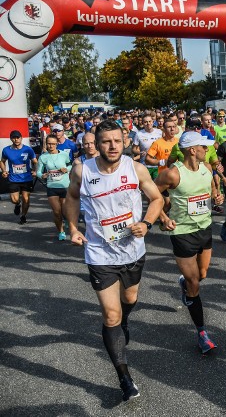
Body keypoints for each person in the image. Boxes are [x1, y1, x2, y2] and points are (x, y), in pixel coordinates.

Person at [64, 120, 163, 402]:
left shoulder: (136, 168)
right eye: (106, 141)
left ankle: (124, 322)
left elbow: (156, 199)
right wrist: (72, 228)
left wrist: (147, 223)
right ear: (97, 143)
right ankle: (124, 378)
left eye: (117, 141)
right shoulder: (83, 170)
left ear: (125, 141)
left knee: (129, 300)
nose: (112, 146)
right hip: (99, 252)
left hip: (132, 250)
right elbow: (71, 198)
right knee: (111, 315)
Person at [155, 131, 224, 353]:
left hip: (204, 229)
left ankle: (185, 285)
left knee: (201, 275)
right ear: (193, 150)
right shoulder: (173, 175)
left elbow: (211, 189)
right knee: (195, 282)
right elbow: (151, 193)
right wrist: (164, 217)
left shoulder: (206, 168)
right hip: (182, 233)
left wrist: (216, 196)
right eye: (204, 147)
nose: (207, 150)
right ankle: (202, 333)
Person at [37, 135, 72, 240]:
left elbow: (70, 165)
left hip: (65, 186)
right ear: (46, 144)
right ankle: (61, 232)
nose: (50, 146)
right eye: (48, 143)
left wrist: (66, 169)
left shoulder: (64, 155)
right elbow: (38, 171)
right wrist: (41, 175)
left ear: (57, 144)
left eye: (53, 143)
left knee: (65, 211)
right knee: (57, 212)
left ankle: (66, 219)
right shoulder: (43, 157)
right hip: (52, 186)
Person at [1, 130, 38, 224]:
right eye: (14, 137)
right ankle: (18, 204)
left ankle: (23, 215)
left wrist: (36, 171)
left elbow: (35, 162)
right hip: (13, 178)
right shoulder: (6, 150)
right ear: (11, 139)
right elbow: (2, 161)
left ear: (21, 138)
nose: (16, 139)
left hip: (27, 178)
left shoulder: (28, 149)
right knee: (14, 200)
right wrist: (4, 171)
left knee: (26, 198)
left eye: (18, 137)